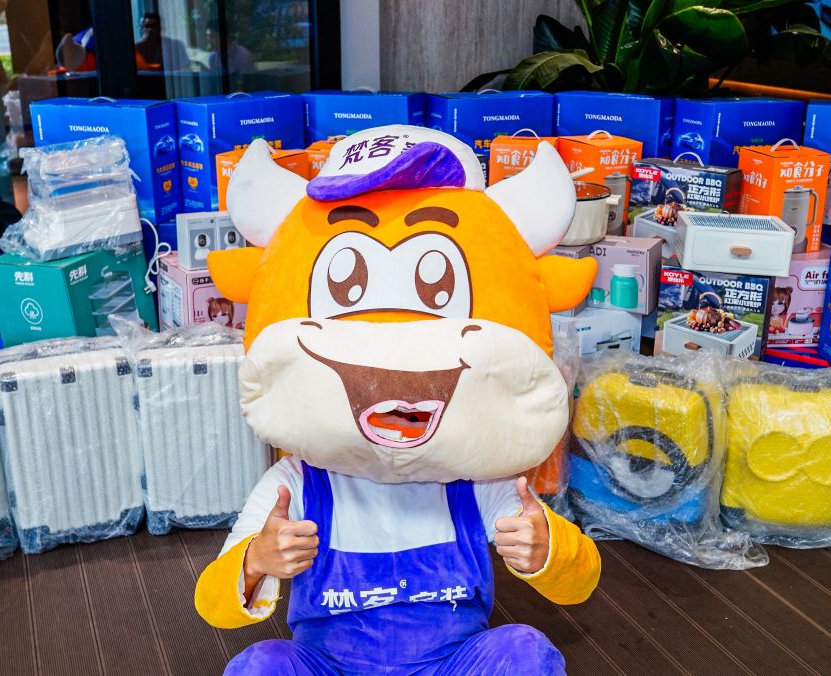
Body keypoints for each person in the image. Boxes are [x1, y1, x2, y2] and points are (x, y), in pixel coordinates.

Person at [198, 127, 603, 674]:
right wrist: (255, 560)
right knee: (263, 665)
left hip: (449, 664)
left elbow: (581, 581)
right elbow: (212, 603)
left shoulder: (477, 480)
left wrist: (545, 547)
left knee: (522, 651)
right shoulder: (294, 484)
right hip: (330, 666)